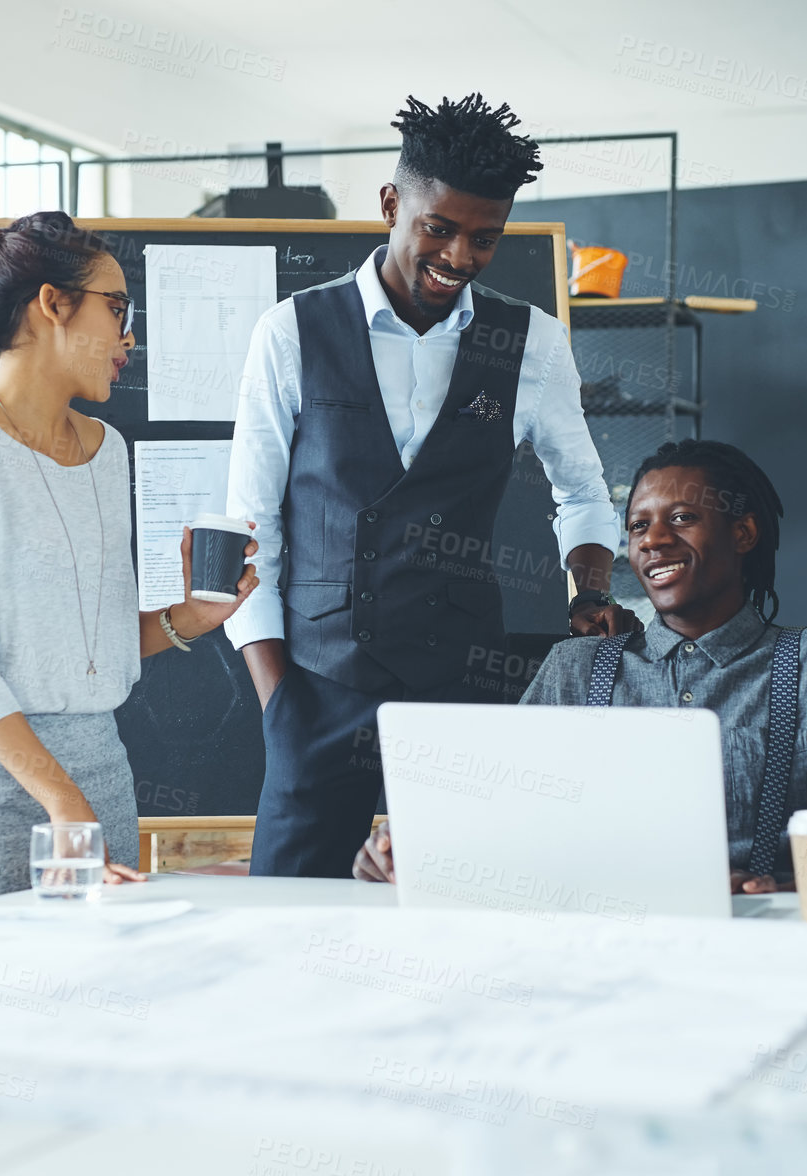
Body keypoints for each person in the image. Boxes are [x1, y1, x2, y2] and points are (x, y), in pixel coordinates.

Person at [226, 95, 633, 879]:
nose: (459, 256)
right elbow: (253, 531)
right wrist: (280, 702)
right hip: (319, 689)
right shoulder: (292, 331)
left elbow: (582, 492)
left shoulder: (532, 344)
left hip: (465, 687)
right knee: (289, 920)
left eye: (485, 238)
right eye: (438, 229)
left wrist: (588, 591)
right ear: (390, 205)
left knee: (464, 911)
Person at [354, 440, 807, 894]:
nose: (653, 540)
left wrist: (782, 888)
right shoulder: (573, 670)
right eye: (636, 526)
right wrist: (413, 848)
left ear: (743, 533)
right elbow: (506, 830)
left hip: (763, 952)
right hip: (599, 954)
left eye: (681, 518)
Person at [0, 212, 258, 906]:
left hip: (102, 777)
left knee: (100, 994)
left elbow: (95, 650)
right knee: (5, 1004)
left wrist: (190, 617)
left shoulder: (106, 447)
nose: (129, 337)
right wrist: (64, 806)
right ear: (52, 304)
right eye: (116, 308)